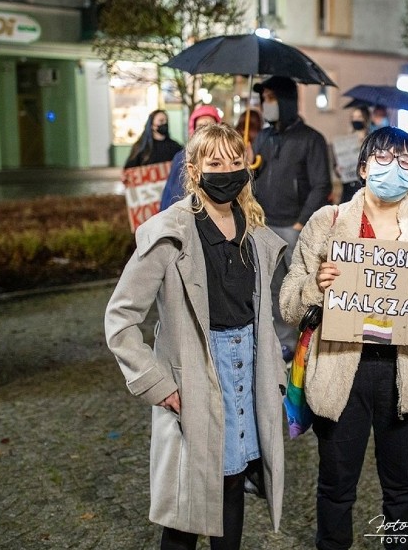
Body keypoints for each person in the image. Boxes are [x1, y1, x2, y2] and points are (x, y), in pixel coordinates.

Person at [279, 126, 408, 550]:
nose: (393, 169)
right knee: (335, 486)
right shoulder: (327, 224)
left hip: (405, 375)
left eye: (404, 163)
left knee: (401, 490)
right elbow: (289, 303)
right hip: (341, 371)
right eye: (382, 159)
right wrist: (315, 284)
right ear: (362, 167)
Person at [104, 123, 288, 549]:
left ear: (248, 166)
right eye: (215, 162)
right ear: (193, 168)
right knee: (187, 508)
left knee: (233, 487)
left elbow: (267, 312)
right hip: (196, 375)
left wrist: (274, 374)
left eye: (236, 161)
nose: (227, 170)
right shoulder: (169, 233)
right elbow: (120, 317)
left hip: (248, 371)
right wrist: (158, 383)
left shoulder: (256, 233)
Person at [250, 76, 332, 360]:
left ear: (285, 100)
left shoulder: (311, 139)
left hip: (295, 230)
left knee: (304, 289)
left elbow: (322, 184)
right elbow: (255, 177)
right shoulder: (262, 137)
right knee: (273, 290)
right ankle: (285, 345)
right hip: (265, 226)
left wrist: (300, 223)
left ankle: (310, 345)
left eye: (271, 98)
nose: (266, 104)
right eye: (264, 99)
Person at [159, 105, 222, 211]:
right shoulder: (181, 157)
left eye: (210, 126)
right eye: (201, 126)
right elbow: (170, 193)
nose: (205, 130)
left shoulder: (225, 157)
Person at [337, 106, 370, 203]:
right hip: (348, 187)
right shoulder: (346, 140)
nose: (355, 120)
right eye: (353, 117)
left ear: (365, 118)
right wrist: (338, 169)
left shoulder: (372, 140)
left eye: (359, 117)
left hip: (365, 187)